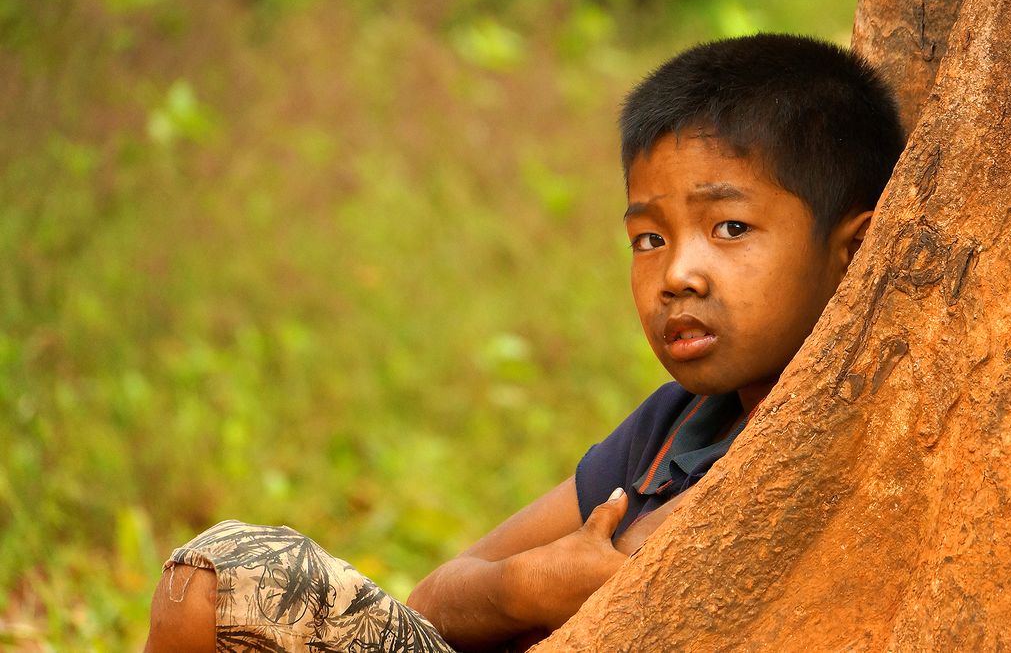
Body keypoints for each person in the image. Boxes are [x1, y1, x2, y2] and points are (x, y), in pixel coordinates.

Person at [144, 32, 905, 652]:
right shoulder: (673, 425)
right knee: (217, 579)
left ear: (855, 252)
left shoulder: (846, 441)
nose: (677, 273)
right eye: (647, 237)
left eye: (729, 227)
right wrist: (530, 586)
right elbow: (439, 594)